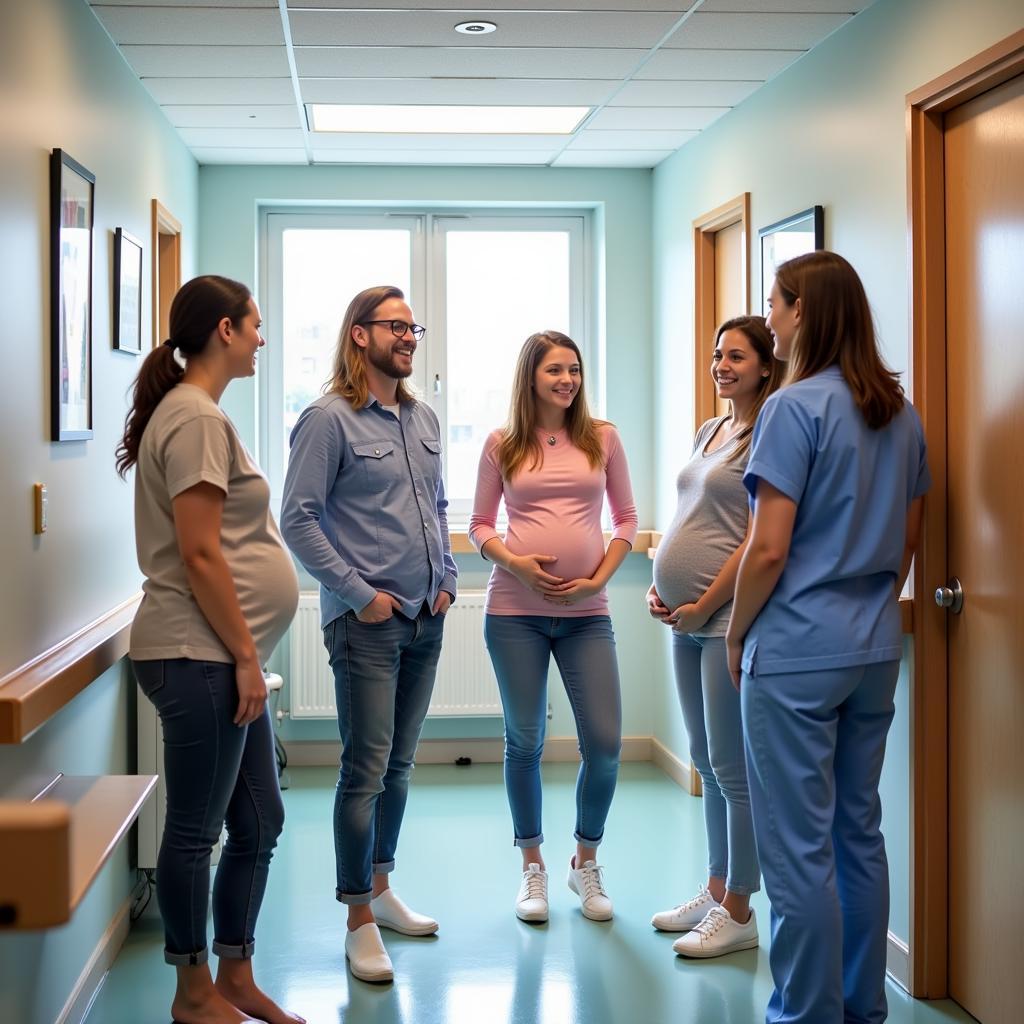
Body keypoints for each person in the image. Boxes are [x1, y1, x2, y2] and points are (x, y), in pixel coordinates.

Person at [725, 252, 929, 1023]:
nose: (768, 318)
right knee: (857, 834)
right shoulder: (898, 413)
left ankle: (803, 1016)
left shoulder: (793, 408)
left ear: (802, 311)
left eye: (773, 304)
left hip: (796, 655)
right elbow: (908, 541)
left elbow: (768, 548)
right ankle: (858, 1008)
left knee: (797, 848)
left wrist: (735, 633)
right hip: (873, 652)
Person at [116, 276, 304, 1024]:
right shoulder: (194, 417)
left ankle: (234, 975)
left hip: (221, 657)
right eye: (255, 325)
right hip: (199, 658)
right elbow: (199, 556)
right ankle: (191, 993)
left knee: (260, 821)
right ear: (225, 329)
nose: (262, 337)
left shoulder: (199, 413)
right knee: (197, 828)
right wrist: (248, 659)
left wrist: (245, 657)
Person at [280, 285, 456, 984]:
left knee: (401, 767)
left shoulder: (423, 418)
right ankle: (356, 917)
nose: (408, 337)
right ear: (359, 335)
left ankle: (381, 889)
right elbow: (298, 520)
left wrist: (446, 578)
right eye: (395, 326)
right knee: (364, 771)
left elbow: (438, 508)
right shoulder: (328, 420)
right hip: (367, 625)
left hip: (426, 615)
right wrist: (360, 596)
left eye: (413, 326)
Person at [469, 330, 638, 924]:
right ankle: (532, 867)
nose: (567, 380)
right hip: (514, 614)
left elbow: (626, 521)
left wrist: (596, 582)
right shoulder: (502, 444)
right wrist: (515, 562)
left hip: (587, 616)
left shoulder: (603, 439)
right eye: (554, 371)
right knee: (525, 741)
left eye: (574, 369)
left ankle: (584, 862)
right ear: (530, 378)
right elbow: (478, 524)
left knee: (606, 745)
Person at [647, 315, 783, 958]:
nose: (721, 365)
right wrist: (662, 585)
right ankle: (715, 885)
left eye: (735, 356)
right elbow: (689, 517)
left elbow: (759, 535)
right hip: (685, 618)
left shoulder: (771, 433)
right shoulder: (713, 428)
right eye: (716, 355)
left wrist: (703, 602)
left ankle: (740, 909)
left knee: (733, 768)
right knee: (705, 760)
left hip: (725, 618)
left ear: (765, 364)